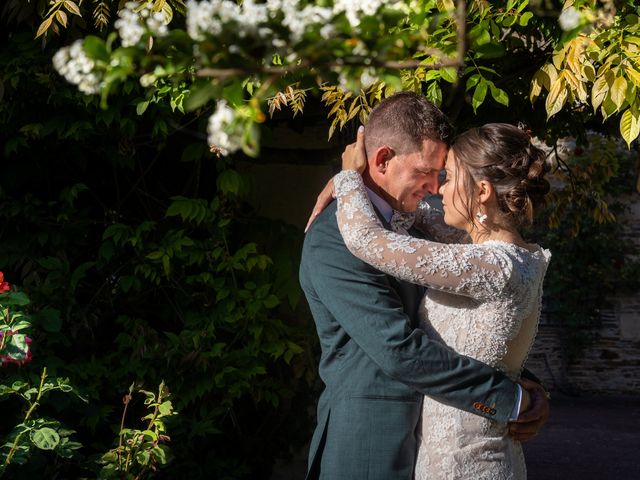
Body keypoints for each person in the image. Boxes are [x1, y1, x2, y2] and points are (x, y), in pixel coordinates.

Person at [299, 91, 549, 480]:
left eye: (442, 174)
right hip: (369, 446)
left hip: (440, 448)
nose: (435, 187)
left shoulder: (417, 225)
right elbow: (398, 347)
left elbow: (467, 328)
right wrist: (507, 397)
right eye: (425, 172)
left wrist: (523, 383)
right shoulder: (334, 237)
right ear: (382, 159)